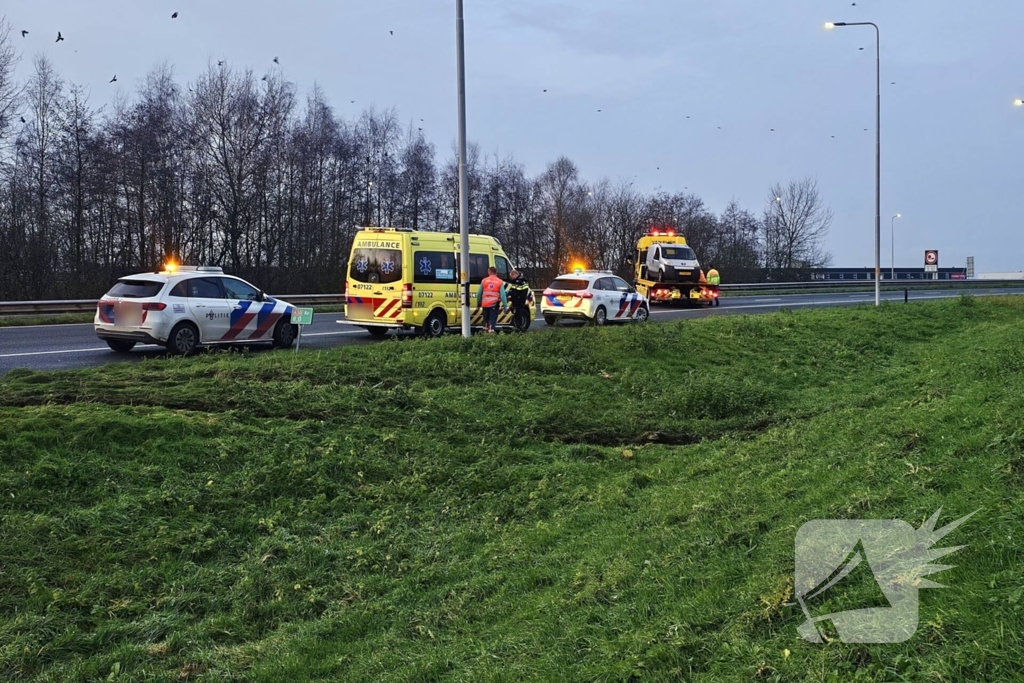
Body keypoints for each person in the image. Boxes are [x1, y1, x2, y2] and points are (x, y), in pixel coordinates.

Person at [477, 266, 507, 333]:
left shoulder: (484, 280)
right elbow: (503, 295)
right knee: (492, 320)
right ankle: (491, 335)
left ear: (489, 272)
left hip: (485, 304)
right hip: (494, 304)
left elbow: (479, 293)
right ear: (496, 272)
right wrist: (505, 306)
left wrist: (478, 303)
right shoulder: (500, 281)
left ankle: (484, 334)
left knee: (486, 320)